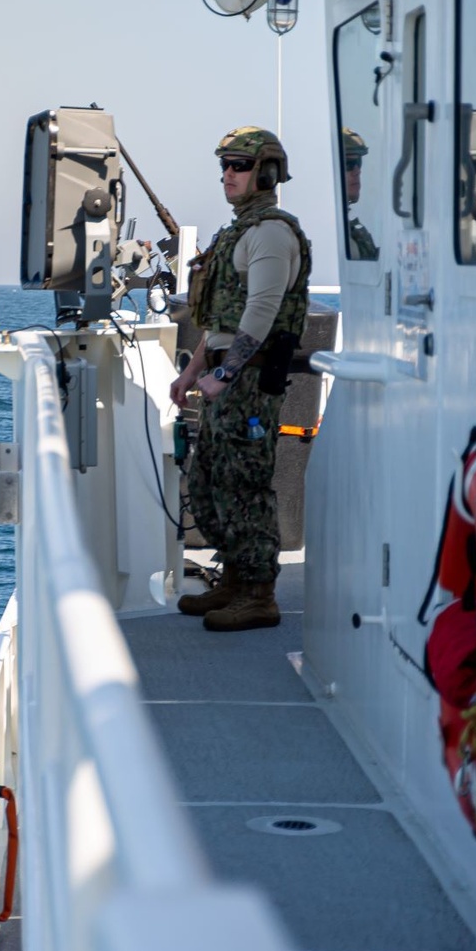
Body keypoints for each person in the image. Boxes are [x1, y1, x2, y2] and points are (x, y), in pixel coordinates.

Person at [170, 127, 311, 631]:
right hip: (226, 378)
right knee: (209, 484)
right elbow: (223, 319)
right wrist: (192, 371)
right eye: (224, 165)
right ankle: (234, 578)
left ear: (267, 173)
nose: (227, 174)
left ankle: (258, 593)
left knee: (245, 485)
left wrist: (226, 373)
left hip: (248, 382)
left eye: (239, 165)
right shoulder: (237, 232)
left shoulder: (272, 233)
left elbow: (262, 310)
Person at [343, 127, 378, 260]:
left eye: (358, 163)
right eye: (349, 164)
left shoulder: (354, 234)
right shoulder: (326, 234)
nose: (357, 171)